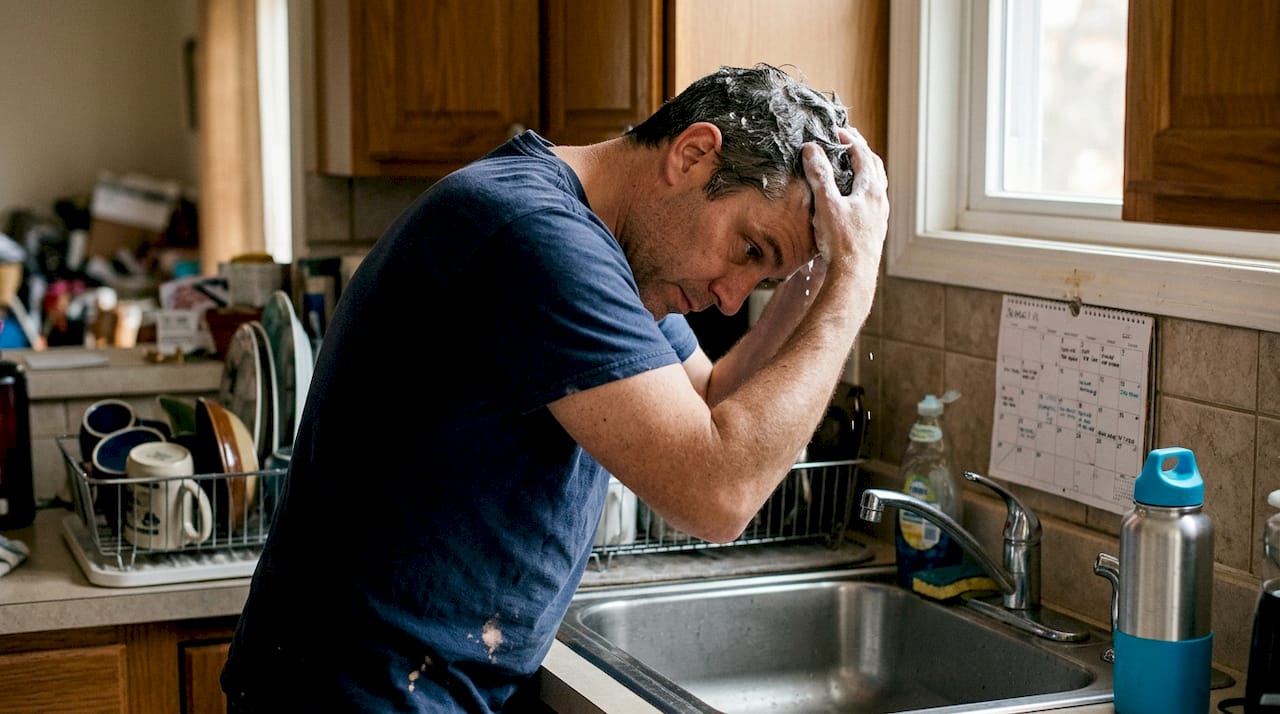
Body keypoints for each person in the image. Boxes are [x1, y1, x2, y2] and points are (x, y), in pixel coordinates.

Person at [221, 63, 888, 712]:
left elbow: (709, 394)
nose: (731, 297)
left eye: (765, 277)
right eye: (749, 249)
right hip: (358, 692)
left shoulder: (605, 245)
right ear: (692, 155)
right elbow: (718, 495)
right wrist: (854, 285)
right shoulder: (538, 237)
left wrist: (822, 274)